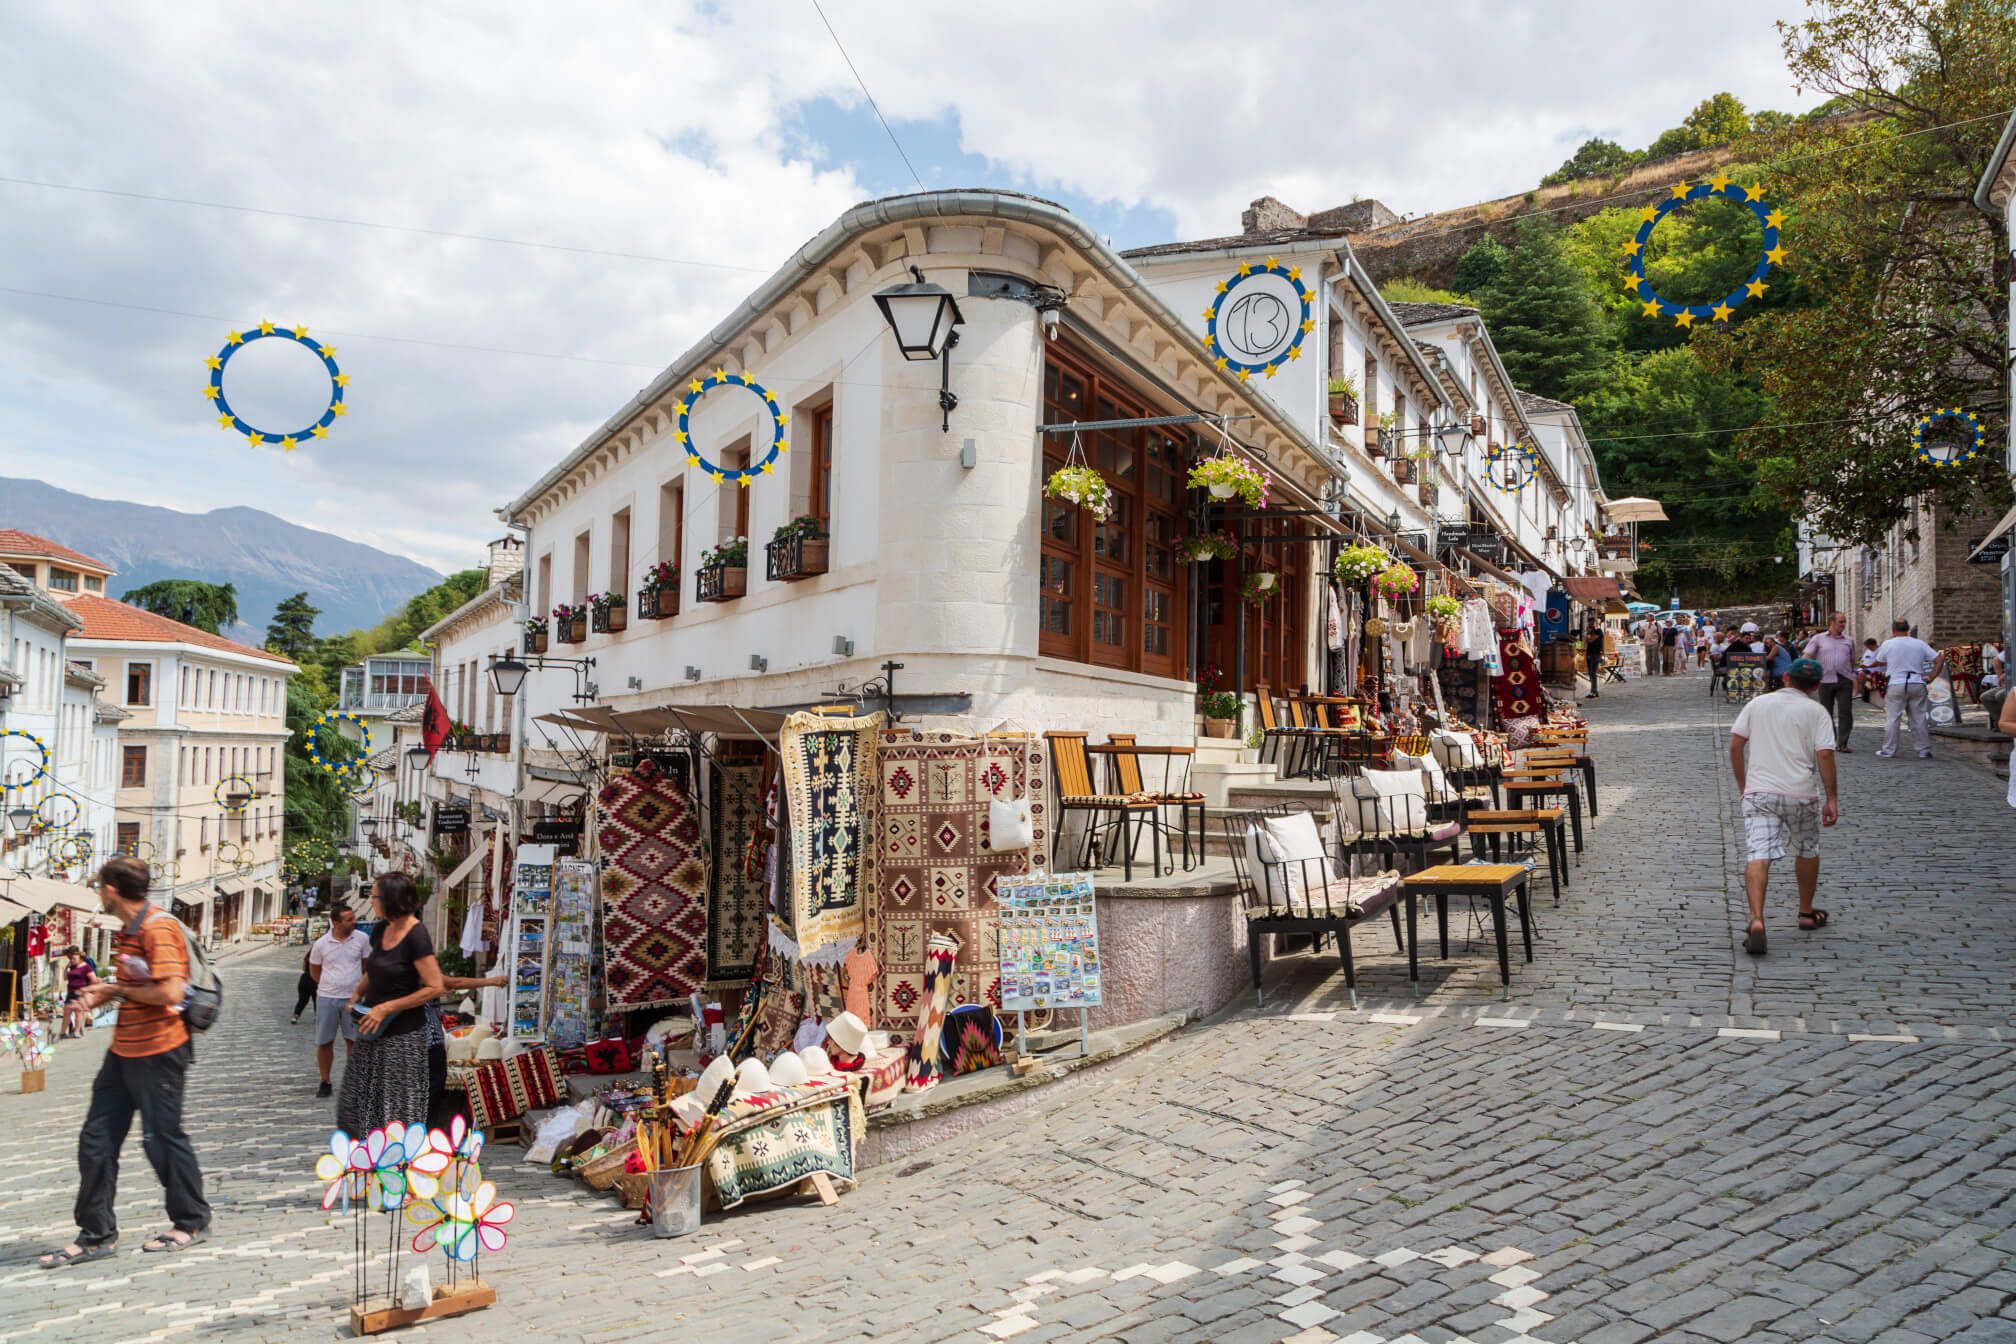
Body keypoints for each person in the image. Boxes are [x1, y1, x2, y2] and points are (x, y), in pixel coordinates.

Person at [38, 858, 210, 1267]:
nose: (98, 893)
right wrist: (110, 991)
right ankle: (96, 1234)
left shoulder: (157, 927)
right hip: (124, 1051)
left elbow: (170, 992)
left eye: (100, 886)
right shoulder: (130, 931)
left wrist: (115, 990)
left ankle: (190, 1221)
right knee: (95, 1140)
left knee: (163, 1139)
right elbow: (140, 986)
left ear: (111, 889)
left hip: (160, 1050)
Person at [1729, 658, 1840, 956]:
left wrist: (1743, 785)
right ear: (1817, 686)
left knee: (1758, 853)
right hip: (1800, 793)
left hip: (1761, 792)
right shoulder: (1817, 711)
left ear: (1786, 677)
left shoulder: (1758, 704)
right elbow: (1826, 755)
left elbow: (1736, 745)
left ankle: (1756, 919)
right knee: (1806, 848)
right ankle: (1805, 912)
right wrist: (1832, 798)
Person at [337, 873, 443, 1136]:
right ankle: (367, 1160)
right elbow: (375, 969)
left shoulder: (416, 935)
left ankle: (396, 1166)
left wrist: (388, 1007)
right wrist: (356, 995)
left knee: (396, 1109)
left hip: (403, 1036)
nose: (371, 901)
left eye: (374, 897)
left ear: (390, 899)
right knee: (355, 1105)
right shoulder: (382, 929)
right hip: (372, 1030)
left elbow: (435, 986)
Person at [308, 905, 370, 1099]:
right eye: (349, 919)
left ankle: (354, 1082)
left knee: (354, 1041)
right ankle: (325, 1081)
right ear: (336, 923)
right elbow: (314, 971)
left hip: (353, 998)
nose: (354, 921)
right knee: (325, 1041)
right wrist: (330, 984)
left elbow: (366, 966)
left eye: (353, 918)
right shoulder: (321, 944)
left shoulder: (362, 939)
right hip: (327, 997)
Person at [1872, 619, 1946, 760]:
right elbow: (1939, 659)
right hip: (1917, 681)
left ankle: (1889, 750)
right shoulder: (1919, 643)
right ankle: (1924, 750)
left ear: (1893, 631)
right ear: (1908, 629)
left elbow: (1880, 659)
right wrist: (1931, 677)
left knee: (1893, 718)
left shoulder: (1889, 643)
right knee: (1919, 718)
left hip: (1896, 682)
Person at [1803, 612, 1858, 752]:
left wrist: (1853, 678)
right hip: (1825, 680)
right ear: (1832, 623)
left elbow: (1852, 660)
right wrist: (1805, 668)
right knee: (1826, 712)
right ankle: (1830, 740)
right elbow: (1807, 654)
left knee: (1845, 711)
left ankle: (1843, 743)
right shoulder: (1818, 639)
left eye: (1844, 622)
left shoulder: (1849, 640)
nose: (1843, 625)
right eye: (1841, 622)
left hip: (1844, 679)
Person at [61, 947, 98, 1039]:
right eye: (71, 958)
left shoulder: (86, 967)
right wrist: (67, 967)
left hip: (80, 993)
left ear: (80, 959)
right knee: (66, 1012)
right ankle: (62, 1033)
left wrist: (87, 989)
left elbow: (94, 980)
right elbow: (65, 978)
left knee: (79, 1013)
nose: (72, 960)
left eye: (74, 959)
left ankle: (76, 1031)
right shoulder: (72, 967)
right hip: (70, 992)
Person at [291, 949, 316, 1024]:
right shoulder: (320, 957)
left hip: (304, 979)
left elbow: (303, 968)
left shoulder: (307, 957)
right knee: (317, 1000)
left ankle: (295, 1016)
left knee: (302, 1000)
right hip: (315, 979)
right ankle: (317, 1016)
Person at [1582, 618, 1606, 697]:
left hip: (1596, 654)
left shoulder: (1598, 631)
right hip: (1589, 653)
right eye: (1590, 624)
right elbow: (1586, 641)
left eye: (1592, 623)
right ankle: (1593, 690)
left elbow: (1591, 640)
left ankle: (1594, 691)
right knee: (1590, 673)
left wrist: (1588, 635)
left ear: (1596, 623)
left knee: (1593, 673)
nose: (1591, 625)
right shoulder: (1591, 632)